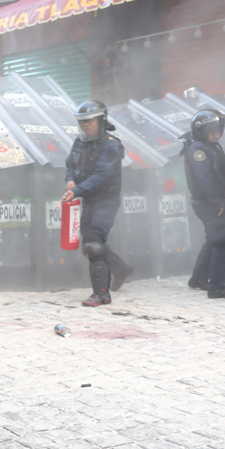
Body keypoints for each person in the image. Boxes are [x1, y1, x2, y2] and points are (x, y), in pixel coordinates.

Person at [62, 99, 133, 307]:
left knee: (93, 245)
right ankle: (121, 269)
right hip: (89, 198)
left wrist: (76, 191)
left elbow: (101, 176)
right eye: (82, 121)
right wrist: (70, 180)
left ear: (101, 121)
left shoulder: (111, 144)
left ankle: (101, 295)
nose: (86, 125)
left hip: (106, 199)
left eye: (90, 121)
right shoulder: (80, 142)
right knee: (91, 244)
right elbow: (70, 165)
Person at [183, 110, 225, 298]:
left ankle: (198, 278)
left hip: (210, 201)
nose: (216, 134)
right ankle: (217, 287)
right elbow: (204, 178)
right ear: (201, 131)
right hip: (210, 202)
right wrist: (216, 201)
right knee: (224, 240)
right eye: (212, 131)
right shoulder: (199, 149)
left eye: (218, 130)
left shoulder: (208, 145)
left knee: (214, 239)